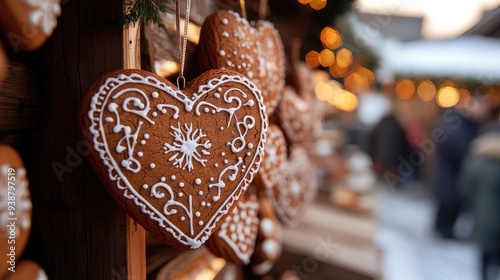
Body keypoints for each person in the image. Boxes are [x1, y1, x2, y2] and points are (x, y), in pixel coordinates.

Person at [459, 125, 500, 280]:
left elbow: (465, 186)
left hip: (483, 215)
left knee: (485, 253)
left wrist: (473, 205)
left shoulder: (477, 159)